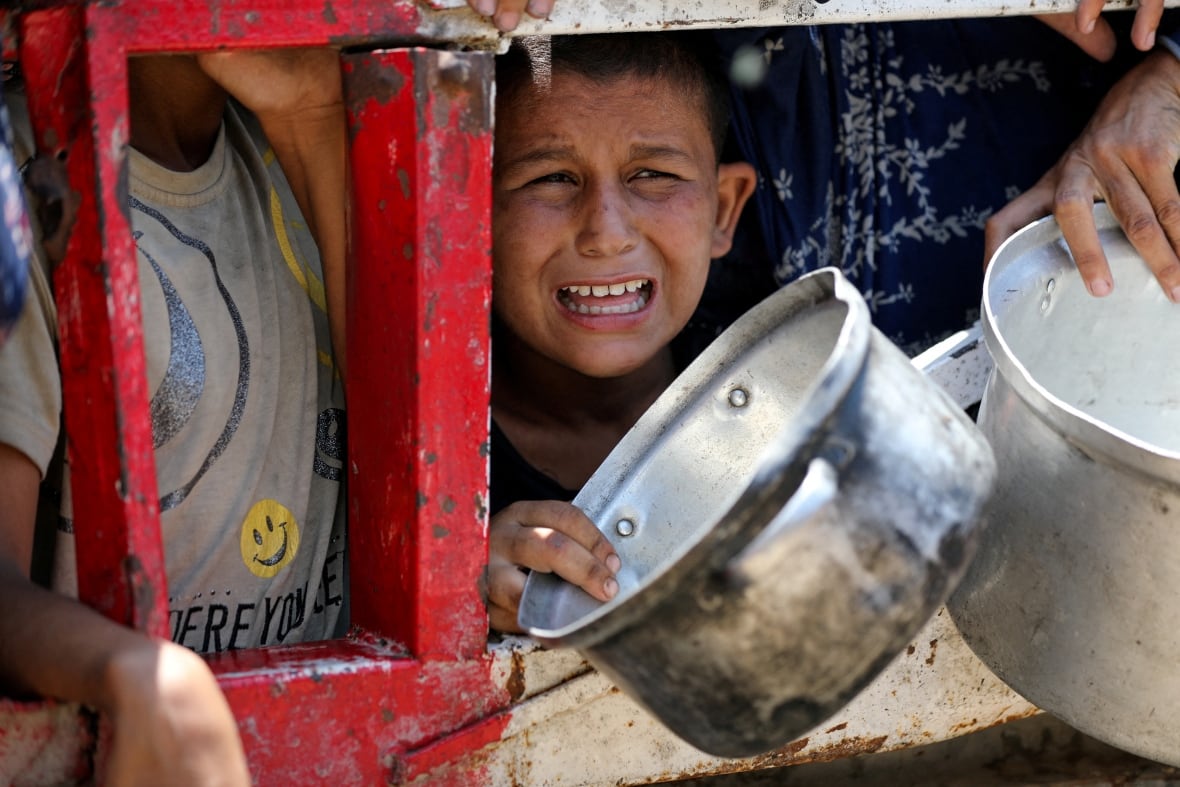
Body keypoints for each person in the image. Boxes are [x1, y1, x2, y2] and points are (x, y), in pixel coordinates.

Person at [0, 48, 348, 785]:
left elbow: (417, 461)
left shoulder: (321, 110)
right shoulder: (24, 180)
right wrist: (143, 674)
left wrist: (314, 123)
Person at [483, 32, 757, 632]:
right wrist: (454, 577)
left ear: (723, 209)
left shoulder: (775, 415)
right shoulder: (434, 449)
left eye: (653, 174)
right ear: (471, 208)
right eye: (551, 178)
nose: (606, 231)